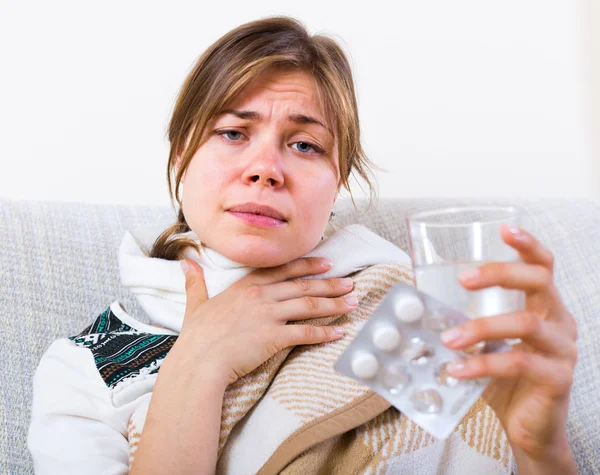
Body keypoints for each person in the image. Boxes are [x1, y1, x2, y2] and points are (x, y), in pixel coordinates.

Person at [27, 15, 578, 474]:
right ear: (180, 159)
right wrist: (202, 358)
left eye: (304, 144)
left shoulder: (398, 307)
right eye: (233, 133)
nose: (266, 169)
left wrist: (540, 449)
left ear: (337, 181)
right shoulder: (85, 369)